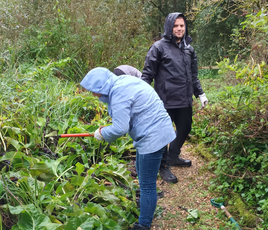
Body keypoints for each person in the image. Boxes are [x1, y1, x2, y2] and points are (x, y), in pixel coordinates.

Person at [80, 67, 176, 230]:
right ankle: (146, 203)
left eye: (94, 91)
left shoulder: (118, 92)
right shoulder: (123, 82)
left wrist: (102, 133)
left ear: (101, 86)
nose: (94, 95)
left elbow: (119, 128)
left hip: (152, 136)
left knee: (147, 185)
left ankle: (144, 225)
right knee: (141, 172)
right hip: (156, 130)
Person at [141, 12, 208, 184]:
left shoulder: (189, 49)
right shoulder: (158, 47)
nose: (179, 29)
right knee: (164, 133)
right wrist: (140, 95)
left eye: (182, 26)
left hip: (184, 99)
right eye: (176, 26)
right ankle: (163, 166)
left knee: (185, 128)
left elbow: (193, 76)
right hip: (165, 100)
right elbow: (147, 74)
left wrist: (200, 93)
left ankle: (173, 157)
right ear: (169, 27)